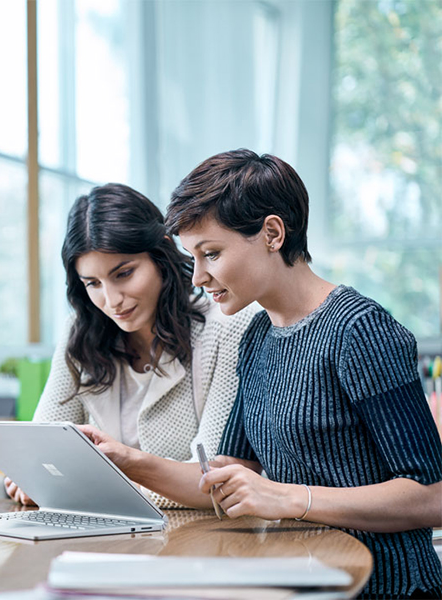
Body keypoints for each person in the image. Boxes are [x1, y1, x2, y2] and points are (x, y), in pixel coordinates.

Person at [78, 150, 441, 599]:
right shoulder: (256, 335)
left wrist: (289, 497)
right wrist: (128, 462)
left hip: (385, 587)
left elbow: (432, 496)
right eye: (193, 258)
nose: (198, 277)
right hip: (303, 583)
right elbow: (227, 473)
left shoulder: (359, 330)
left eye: (211, 253)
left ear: (272, 233)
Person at [5, 183, 259, 507]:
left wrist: (84, 487)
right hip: (107, 539)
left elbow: (214, 481)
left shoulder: (229, 327)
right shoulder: (80, 333)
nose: (112, 301)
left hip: (203, 543)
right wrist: (31, 481)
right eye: (93, 284)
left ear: (161, 255)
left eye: (123, 274)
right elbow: (39, 455)